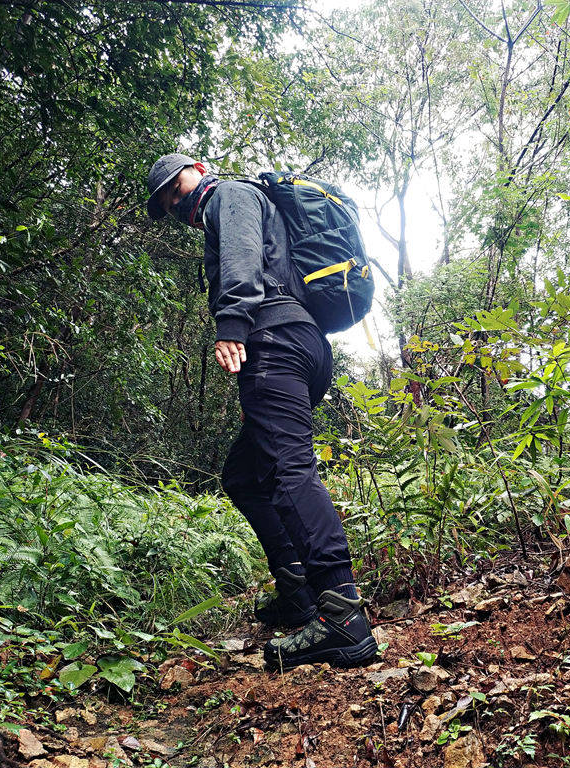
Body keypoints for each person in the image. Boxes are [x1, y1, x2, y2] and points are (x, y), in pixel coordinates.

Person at [145, 153, 378, 670]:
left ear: (199, 169)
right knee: (246, 474)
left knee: (288, 469)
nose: (178, 203)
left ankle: (343, 617)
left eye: (176, 188)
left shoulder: (226, 194)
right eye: (169, 203)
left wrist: (232, 321)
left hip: (272, 339)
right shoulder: (242, 202)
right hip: (302, 342)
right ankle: (297, 589)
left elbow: (243, 256)